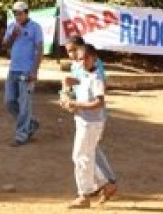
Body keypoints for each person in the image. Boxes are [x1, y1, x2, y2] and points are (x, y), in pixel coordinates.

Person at [63, 36, 116, 202]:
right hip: (85, 120)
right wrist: (67, 93)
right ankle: (104, 184)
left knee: (81, 156)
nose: (81, 62)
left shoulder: (96, 76)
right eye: (80, 59)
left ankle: (85, 194)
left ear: (93, 58)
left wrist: (76, 104)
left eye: (84, 59)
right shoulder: (86, 74)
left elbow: (99, 102)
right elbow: (79, 84)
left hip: (91, 122)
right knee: (86, 155)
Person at [3, 1, 44, 146]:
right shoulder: (12, 26)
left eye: (20, 13)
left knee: (24, 103)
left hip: (27, 70)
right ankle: (30, 123)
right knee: (9, 102)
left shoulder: (35, 27)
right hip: (13, 69)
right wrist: (13, 36)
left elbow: (40, 49)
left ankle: (21, 134)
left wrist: (34, 71)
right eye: (15, 13)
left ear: (27, 13)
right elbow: (4, 45)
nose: (17, 16)